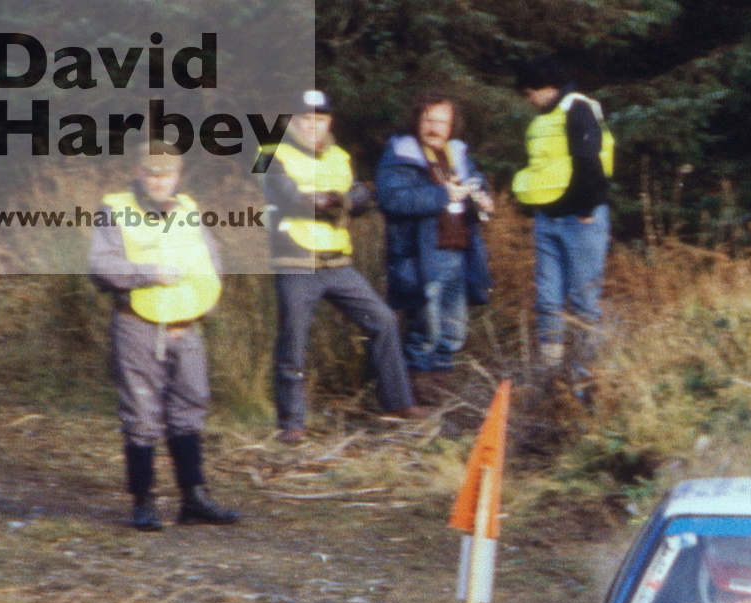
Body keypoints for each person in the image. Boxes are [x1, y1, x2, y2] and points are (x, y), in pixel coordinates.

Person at [87, 144, 244, 532]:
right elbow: (100, 266)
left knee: (190, 408)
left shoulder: (189, 210)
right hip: (136, 324)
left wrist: (197, 308)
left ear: (178, 175)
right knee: (141, 414)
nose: (158, 181)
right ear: (139, 172)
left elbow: (211, 263)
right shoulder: (115, 209)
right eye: (151, 173)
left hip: (186, 326)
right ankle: (143, 501)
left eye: (166, 174)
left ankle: (195, 497)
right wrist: (149, 272)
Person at [261, 90, 423, 445]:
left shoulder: (339, 156)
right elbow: (292, 199)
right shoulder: (271, 154)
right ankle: (292, 423)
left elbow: (365, 198)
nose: (313, 125)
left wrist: (333, 200)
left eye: (320, 119)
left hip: (338, 261)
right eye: (306, 119)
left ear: (328, 121)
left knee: (382, 319)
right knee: (294, 341)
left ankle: (398, 403)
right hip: (296, 262)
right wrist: (340, 202)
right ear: (293, 121)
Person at [377, 93, 496, 406]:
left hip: (461, 251)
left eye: (442, 121)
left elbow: (477, 183)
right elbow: (392, 200)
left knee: (453, 330)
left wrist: (481, 197)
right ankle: (414, 398)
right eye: (429, 119)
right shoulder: (401, 152)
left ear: (452, 124)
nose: (435, 127)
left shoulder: (458, 153)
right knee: (424, 329)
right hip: (421, 255)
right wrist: (443, 194)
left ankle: (440, 395)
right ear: (417, 120)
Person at [512, 58, 614, 374]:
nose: (528, 100)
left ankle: (585, 380)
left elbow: (591, 162)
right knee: (548, 299)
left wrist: (586, 209)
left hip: (580, 221)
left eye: (529, 93)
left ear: (547, 88)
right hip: (548, 220)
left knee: (584, 303)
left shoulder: (577, 108)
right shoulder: (545, 117)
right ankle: (552, 375)